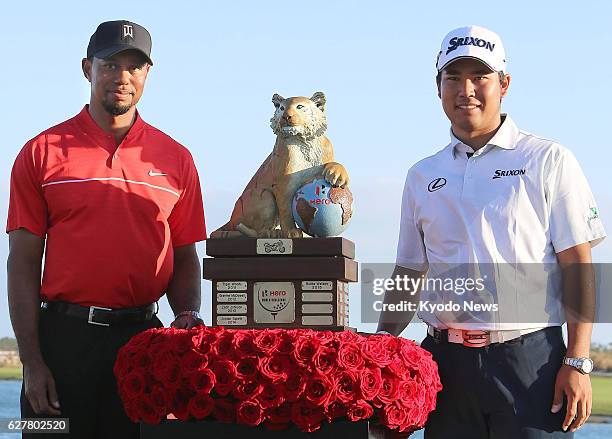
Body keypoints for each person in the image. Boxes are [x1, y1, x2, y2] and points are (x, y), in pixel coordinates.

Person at [377, 25, 606, 438]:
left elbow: (578, 265)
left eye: (480, 76)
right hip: (445, 367)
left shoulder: (548, 159)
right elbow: (409, 273)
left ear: (504, 83)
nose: (466, 89)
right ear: (438, 87)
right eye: (454, 77)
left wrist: (577, 361)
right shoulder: (422, 175)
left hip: (531, 363)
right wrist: (380, 347)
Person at [6, 20, 206, 438]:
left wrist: (186, 315)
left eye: (135, 66)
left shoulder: (177, 159)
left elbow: (185, 254)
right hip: (60, 345)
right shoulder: (39, 152)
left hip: (142, 343)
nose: (123, 76)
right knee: (40, 433)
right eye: (111, 64)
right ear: (87, 68)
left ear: (147, 74)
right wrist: (32, 362)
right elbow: (22, 263)